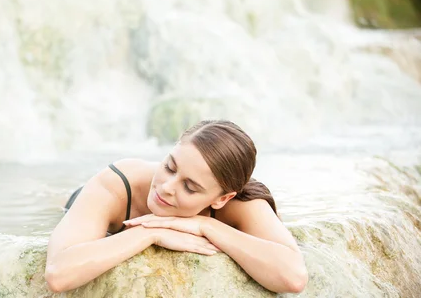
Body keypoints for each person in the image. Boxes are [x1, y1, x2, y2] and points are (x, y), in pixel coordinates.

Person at [45, 120, 308, 293]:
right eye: (170, 166)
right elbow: (59, 274)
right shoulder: (116, 183)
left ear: (222, 198)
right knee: (52, 200)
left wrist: (206, 224)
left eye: (190, 187)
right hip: (82, 199)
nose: (167, 186)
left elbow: (293, 278)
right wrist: (149, 232)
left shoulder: (242, 203)